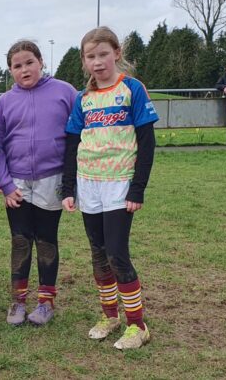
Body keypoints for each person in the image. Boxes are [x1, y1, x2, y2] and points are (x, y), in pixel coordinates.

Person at [61, 27, 158, 350]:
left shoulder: (132, 89)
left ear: (116, 53)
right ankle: (110, 315)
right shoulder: (83, 98)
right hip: (89, 184)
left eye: (103, 54)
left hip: (119, 184)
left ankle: (137, 325)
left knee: (117, 254)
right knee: (98, 254)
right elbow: (72, 144)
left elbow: (147, 143)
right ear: (84, 61)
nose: (98, 62)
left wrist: (137, 189)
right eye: (91, 56)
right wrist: (69, 186)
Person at [0, 40, 77, 326]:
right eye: (17, 66)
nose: (24, 69)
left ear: (41, 62)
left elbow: (79, 138)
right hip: (16, 182)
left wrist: (70, 183)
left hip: (51, 180)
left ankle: (45, 302)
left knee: (46, 240)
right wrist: (4, 184)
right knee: (20, 240)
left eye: (29, 62)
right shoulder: (3, 102)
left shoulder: (65, 92)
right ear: (10, 71)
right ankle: (17, 301)